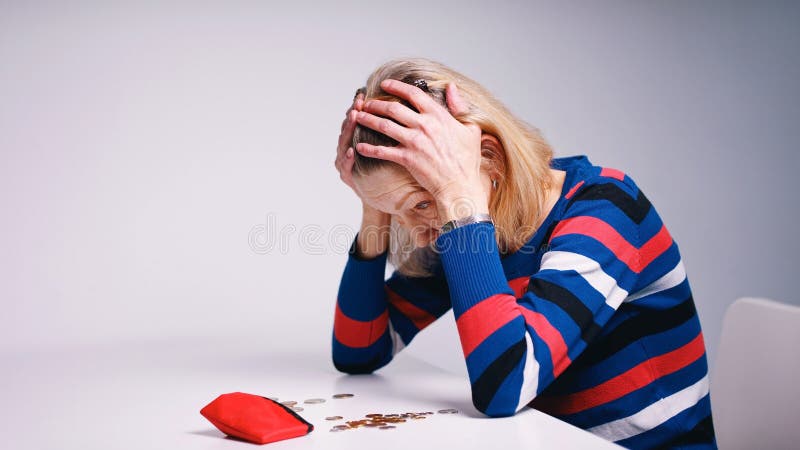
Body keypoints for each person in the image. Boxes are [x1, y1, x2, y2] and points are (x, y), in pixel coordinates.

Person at [331, 58, 716, 449]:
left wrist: (457, 199)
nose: (419, 234)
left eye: (420, 204)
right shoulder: (472, 229)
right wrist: (375, 207)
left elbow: (505, 386)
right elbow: (359, 351)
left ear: (489, 159)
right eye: (398, 213)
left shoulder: (607, 208)